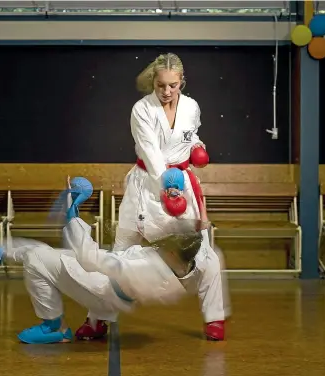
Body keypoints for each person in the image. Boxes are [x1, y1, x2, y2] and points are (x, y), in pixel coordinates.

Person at [75, 53, 231, 341]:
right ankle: (97, 319)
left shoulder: (192, 107)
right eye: (161, 85)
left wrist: (198, 146)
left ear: (181, 81)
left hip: (182, 183)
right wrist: (167, 187)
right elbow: (151, 153)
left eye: (173, 85)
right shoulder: (141, 110)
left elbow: (190, 135)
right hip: (147, 185)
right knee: (120, 251)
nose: (167, 91)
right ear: (153, 82)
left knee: (203, 252)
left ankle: (214, 319)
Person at [0, 177, 227, 344]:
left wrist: (73, 215)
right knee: (41, 251)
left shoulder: (146, 270)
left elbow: (91, 258)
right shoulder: (192, 259)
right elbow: (201, 243)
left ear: (171, 252)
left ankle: (52, 326)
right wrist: (201, 221)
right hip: (110, 287)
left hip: (99, 289)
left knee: (36, 258)